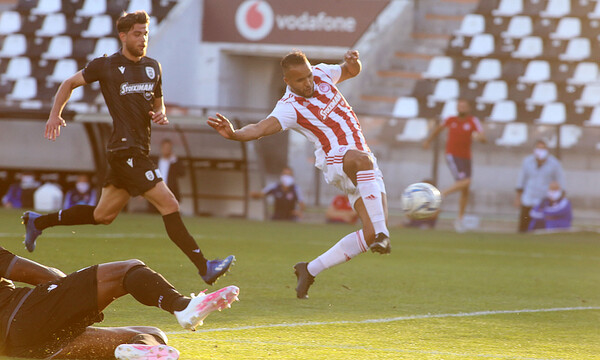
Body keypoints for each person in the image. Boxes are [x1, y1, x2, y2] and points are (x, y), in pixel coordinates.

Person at [22, 10, 234, 285]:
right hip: (125, 150)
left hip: (136, 150)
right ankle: (204, 266)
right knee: (169, 203)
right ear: (123, 36)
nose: (142, 38)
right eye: (137, 34)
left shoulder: (153, 67)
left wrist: (160, 113)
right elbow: (69, 83)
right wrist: (55, 114)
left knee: (103, 215)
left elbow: (157, 101)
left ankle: (38, 222)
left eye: (145, 33)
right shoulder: (106, 65)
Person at [208, 50, 390, 299]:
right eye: (300, 80)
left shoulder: (322, 73)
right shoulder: (289, 107)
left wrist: (353, 63)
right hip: (335, 157)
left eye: (308, 76)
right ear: (287, 82)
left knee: (371, 233)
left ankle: (309, 269)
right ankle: (383, 234)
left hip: (363, 167)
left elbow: (350, 72)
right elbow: (261, 128)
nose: (308, 83)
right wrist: (235, 134)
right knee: (364, 165)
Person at [0, 244, 239, 359]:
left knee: (149, 334)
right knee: (127, 270)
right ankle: (183, 306)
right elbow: (37, 274)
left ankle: (139, 354)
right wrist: (71, 292)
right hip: (25, 314)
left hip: (22, 347)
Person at [423, 99, 487, 232]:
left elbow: (483, 138)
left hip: (466, 157)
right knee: (466, 181)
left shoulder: (472, 121)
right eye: (460, 106)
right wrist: (428, 140)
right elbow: (438, 130)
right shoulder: (450, 120)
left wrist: (479, 138)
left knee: (465, 189)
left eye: (464, 105)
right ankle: (441, 194)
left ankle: (460, 219)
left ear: (468, 108)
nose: (461, 108)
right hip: (452, 155)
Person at [515, 140, 566, 233]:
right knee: (523, 229)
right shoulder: (527, 161)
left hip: (544, 201)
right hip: (528, 199)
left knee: (540, 230)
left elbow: (560, 182)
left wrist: (558, 199)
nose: (540, 151)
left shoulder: (554, 163)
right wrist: (518, 198)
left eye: (543, 148)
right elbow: (521, 181)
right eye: (538, 148)